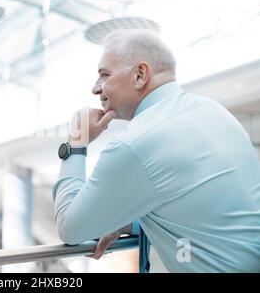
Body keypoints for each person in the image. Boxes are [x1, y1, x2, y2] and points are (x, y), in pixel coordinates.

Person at [52, 29, 260, 272]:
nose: (95, 88)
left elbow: (69, 228)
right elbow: (210, 211)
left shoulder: (135, 143)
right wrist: (131, 224)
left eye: (104, 75)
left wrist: (76, 141)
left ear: (140, 74)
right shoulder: (215, 112)